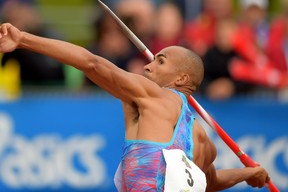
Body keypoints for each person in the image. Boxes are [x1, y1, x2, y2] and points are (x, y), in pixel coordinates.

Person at [0, 23, 270, 191]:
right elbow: (210, 182)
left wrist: (23, 39)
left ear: (182, 79)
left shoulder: (153, 96)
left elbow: (92, 64)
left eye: (160, 62)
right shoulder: (203, 141)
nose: (148, 65)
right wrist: (250, 172)